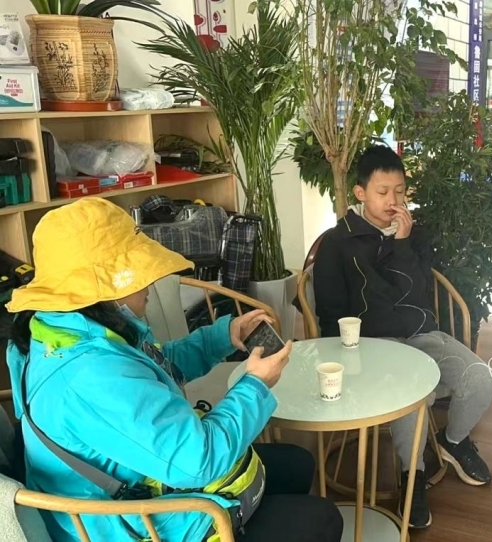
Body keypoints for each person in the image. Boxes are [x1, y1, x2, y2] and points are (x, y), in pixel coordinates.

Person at [2, 198, 343, 542]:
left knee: (297, 464)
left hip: (137, 477)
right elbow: (200, 461)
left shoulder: (61, 332)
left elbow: (152, 367)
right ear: (104, 292)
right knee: (323, 519)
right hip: (127, 524)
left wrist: (221, 337)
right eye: (139, 275)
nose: (149, 285)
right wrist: (255, 385)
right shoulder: (90, 376)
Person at [313, 145, 492, 529]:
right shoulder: (338, 243)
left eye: (399, 191)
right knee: (410, 392)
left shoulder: (413, 235)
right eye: (383, 192)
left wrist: (401, 244)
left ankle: (453, 441)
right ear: (361, 193)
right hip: (372, 346)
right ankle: (412, 476)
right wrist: (340, 362)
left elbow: (418, 294)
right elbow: (329, 313)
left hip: (421, 335)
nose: (392, 200)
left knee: (481, 378)